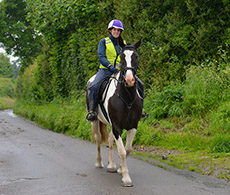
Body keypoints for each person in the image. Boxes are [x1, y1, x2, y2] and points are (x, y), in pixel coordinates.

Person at [86, 19, 145, 122]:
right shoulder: (104, 42)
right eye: (114, 30)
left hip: (122, 71)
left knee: (141, 84)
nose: (116, 32)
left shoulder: (124, 43)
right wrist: (110, 67)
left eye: (118, 30)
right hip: (105, 70)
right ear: (110, 30)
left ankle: (140, 111)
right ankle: (92, 111)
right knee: (94, 86)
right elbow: (101, 57)